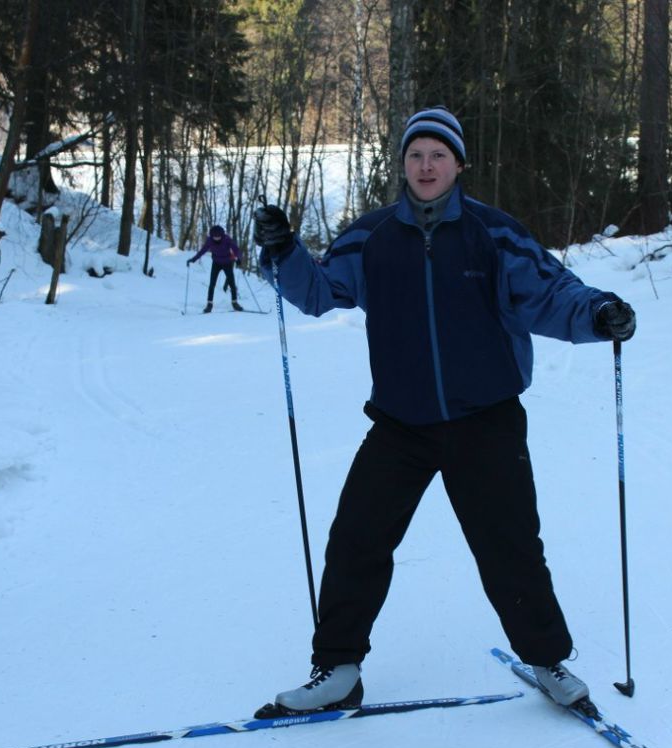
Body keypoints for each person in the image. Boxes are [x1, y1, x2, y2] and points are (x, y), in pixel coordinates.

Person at [251, 106, 636, 716]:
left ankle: (547, 660)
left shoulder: (495, 232)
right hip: (402, 422)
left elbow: (552, 291)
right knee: (356, 540)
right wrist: (284, 251)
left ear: (458, 163)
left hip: (485, 418)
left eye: (438, 155)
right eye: (415, 155)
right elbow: (320, 291)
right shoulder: (373, 235)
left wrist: (599, 313)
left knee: (510, 546)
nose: (426, 166)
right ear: (401, 163)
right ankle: (338, 670)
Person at [186, 225, 244, 313]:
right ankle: (209, 305)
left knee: (232, 283)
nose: (216, 238)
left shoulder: (227, 239)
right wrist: (193, 259)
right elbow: (203, 250)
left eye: (218, 236)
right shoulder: (210, 240)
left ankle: (235, 303)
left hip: (227, 262)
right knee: (212, 284)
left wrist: (238, 258)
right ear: (212, 235)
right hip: (216, 263)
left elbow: (236, 250)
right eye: (214, 236)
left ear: (222, 235)